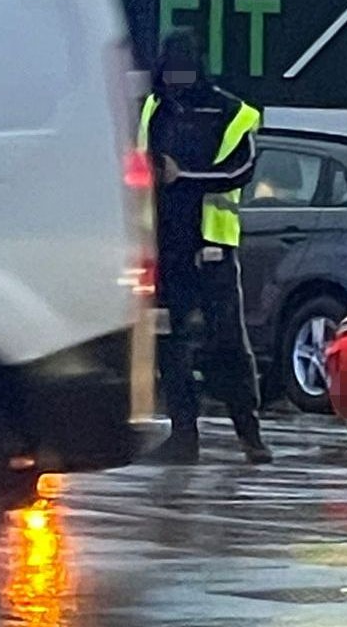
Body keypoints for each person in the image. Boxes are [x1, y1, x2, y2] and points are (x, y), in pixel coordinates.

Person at [138, 29, 272, 465]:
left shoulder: (229, 112)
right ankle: (184, 436)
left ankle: (250, 435)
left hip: (211, 247)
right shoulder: (154, 109)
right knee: (169, 341)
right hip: (166, 248)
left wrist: (183, 177)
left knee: (227, 342)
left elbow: (240, 171)